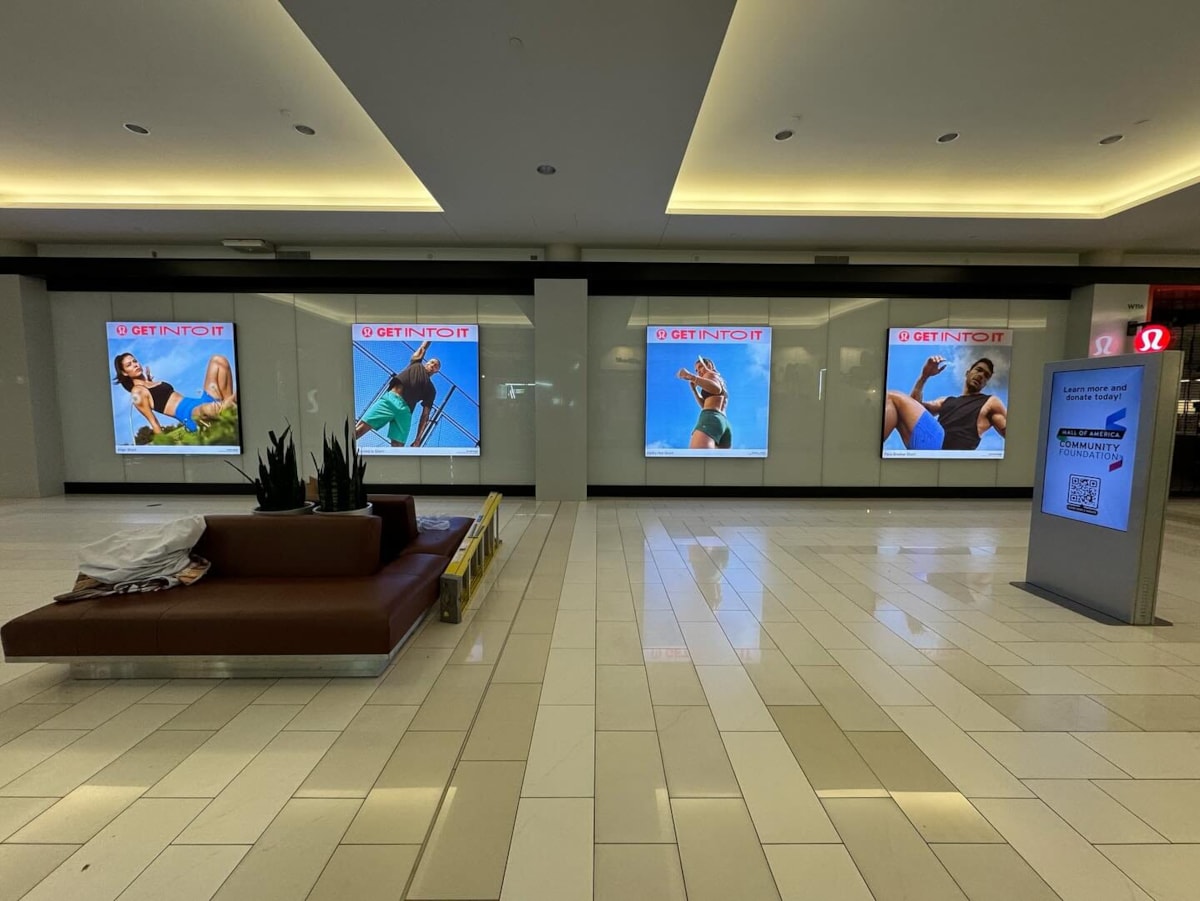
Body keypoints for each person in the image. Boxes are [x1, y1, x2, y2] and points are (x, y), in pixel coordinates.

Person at [883, 355, 1007, 451]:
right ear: (968, 373)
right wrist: (924, 376)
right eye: (979, 370)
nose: (981, 376)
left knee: (892, 398)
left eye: (986, 376)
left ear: (985, 383)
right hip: (933, 445)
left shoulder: (990, 402)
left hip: (952, 454)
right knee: (893, 405)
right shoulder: (946, 401)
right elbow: (913, 407)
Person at [113, 352, 236, 437]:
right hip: (191, 415)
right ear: (124, 373)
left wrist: (148, 380)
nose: (135, 364)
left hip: (200, 402)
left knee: (218, 360)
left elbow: (157, 394)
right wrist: (164, 448)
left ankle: (231, 415)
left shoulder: (150, 383)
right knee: (210, 408)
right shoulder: (137, 392)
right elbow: (154, 422)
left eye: (135, 361)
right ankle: (232, 405)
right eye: (129, 365)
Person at [355, 340, 441, 447]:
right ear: (426, 362)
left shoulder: (431, 390)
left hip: (405, 411)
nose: (433, 365)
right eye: (432, 362)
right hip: (390, 400)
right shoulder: (416, 363)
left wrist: (418, 439)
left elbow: (425, 415)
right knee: (359, 430)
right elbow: (423, 347)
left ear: (436, 371)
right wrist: (430, 334)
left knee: (398, 448)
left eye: (436, 365)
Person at [677, 356, 732, 449]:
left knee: (697, 456)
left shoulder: (709, 374)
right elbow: (704, 405)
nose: (698, 371)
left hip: (710, 418)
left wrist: (691, 376)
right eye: (696, 370)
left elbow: (716, 389)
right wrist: (694, 390)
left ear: (709, 365)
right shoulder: (720, 380)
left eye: (700, 367)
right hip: (723, 423)